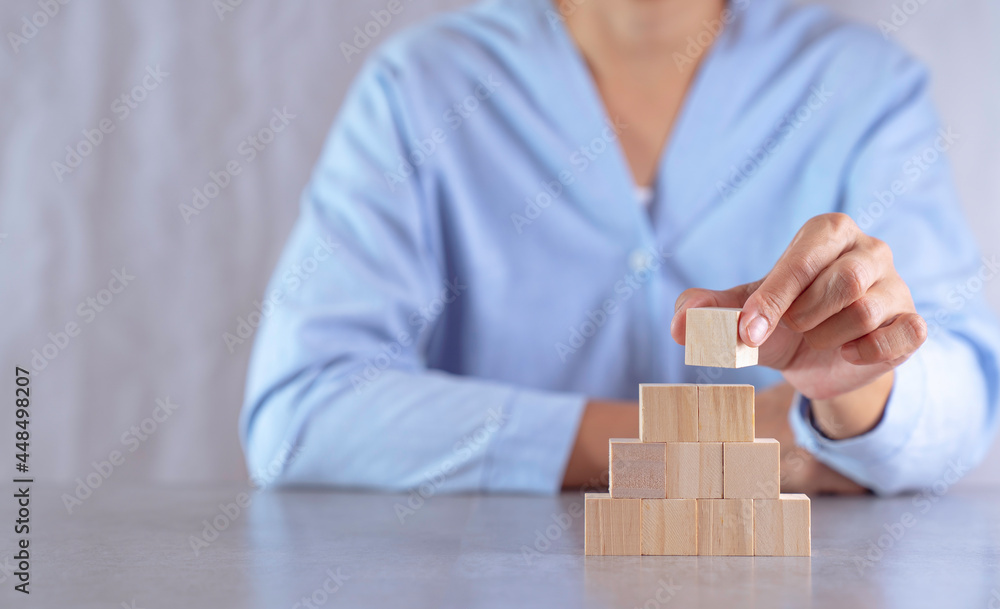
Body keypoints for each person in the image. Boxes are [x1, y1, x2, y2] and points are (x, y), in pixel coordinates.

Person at [239, 0, 1000, 496]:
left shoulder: (865, 83)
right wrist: (702, 447)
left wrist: (852, 391)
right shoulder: (418, 86)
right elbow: (301, 412)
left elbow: (963, 399)